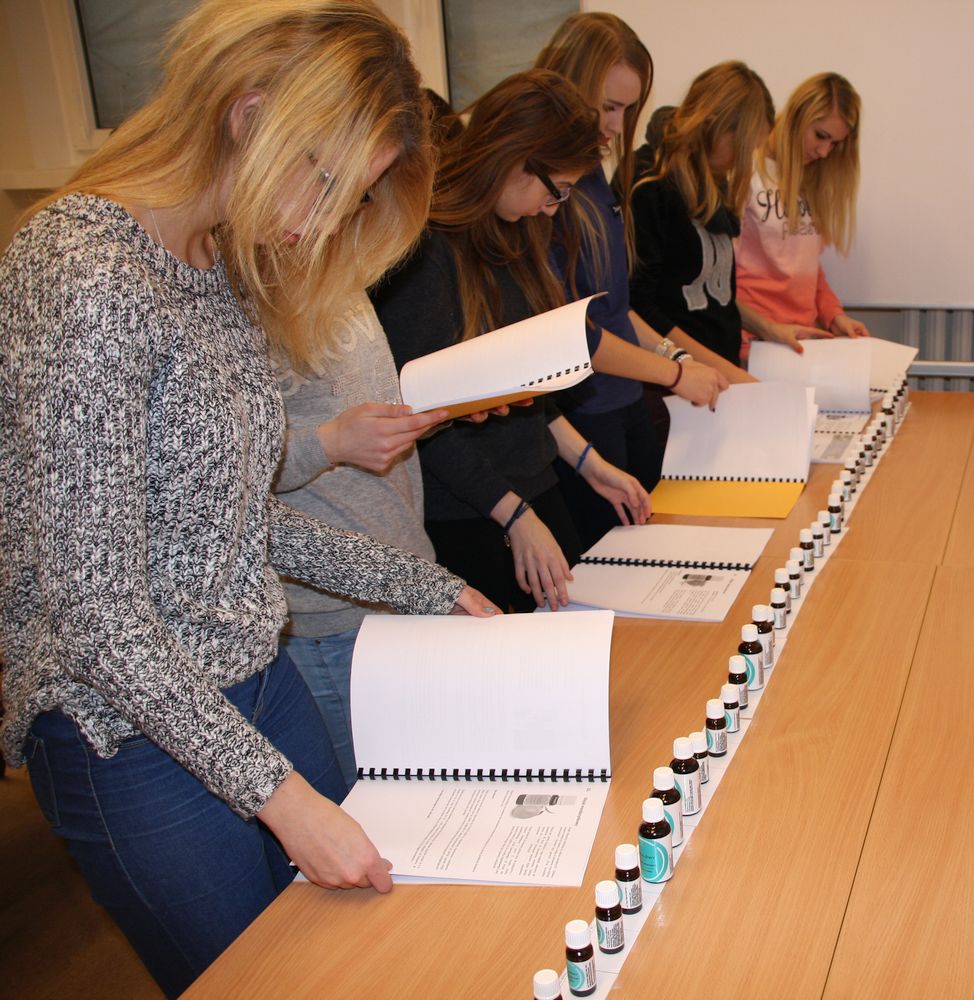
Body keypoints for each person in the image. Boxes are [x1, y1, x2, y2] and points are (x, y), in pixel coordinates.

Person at [0, 2, 494, 995]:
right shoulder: (85, 271)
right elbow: (94, 612)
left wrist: (426, 587)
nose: (324, 223)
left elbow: (229, 519)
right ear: (250, 113)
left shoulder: (218, 262)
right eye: (325, 181)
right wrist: (283, 797)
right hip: (126, 731)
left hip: (254, 678)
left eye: (351, 198)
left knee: (356, 955)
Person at [373, 69, 651, 611]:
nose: (555, 207)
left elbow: (531, 393)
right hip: (469, 513)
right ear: (515, 158)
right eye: (556, 189)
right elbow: (421, 421)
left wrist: (591, 465)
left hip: (531, 491)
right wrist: (513, 513)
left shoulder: (517, 233)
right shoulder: (426, 252)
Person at [534, 13, 735, 550]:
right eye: (607, 107)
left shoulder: (595, 176)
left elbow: (617, 309)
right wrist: (674, 373)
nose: (616, 126)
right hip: (582, 411)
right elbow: (574, 335)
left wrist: (677, 359)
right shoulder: (548, 191)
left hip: (623, 402)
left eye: (627, 109)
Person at [273, 291, 453, 789]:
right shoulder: (234, 302)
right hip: (330, 616)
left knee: (430, 781)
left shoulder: (345, 281)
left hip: (409, 576)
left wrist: (447, 410)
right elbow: (226, 476)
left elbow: (370, 412)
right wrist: (330, 444)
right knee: (373, 800)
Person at [628, 61, 782, 368]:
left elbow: (711, 291)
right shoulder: (651, 184)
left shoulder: (712, 178)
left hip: (717, 372)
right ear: (714, 124)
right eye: (741, 148)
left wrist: (769, 329)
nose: (741, 161)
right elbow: (641, 305)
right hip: (676, 377)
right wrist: (718, 370)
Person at [736, 73, 870, 355]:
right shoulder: (745, 171)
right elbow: (718, 278)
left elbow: (806, 266)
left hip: (801, 342)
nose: (824, 152)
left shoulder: (811, 179)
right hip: (751, 344)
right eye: (821, 136)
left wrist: (833, 315)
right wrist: (765, 329)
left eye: (834, 144)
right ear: (797, 115)